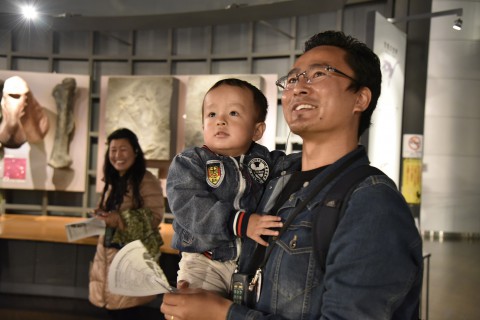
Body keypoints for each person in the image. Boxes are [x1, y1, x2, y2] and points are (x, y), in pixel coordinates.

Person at [160, 30, 423, 320]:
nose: (298, 87)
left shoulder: (371, 203)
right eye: (294, 78)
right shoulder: (276, 178)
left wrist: (224, 314)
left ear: (360, 98)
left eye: (320, 74)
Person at [166, 78, 284, 296]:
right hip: (205, 262)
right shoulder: (190, 162)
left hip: (250, 264)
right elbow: (190, 207)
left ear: (257, 130)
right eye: (212, 115)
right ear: (203, 125)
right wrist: (241, 222)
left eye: (233, 113)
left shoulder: (266, 161)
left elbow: (295, 167)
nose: (220, 121)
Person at [89, 128, 165, 320]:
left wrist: (119, 219)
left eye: (123, 149)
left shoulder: (146, 180)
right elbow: (112, 216)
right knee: (113, 311)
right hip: (107, 258)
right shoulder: (112, 181)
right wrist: (100, 217)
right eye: (113, 150)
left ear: (135, 152)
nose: (117, 155)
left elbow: (155, 216)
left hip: (129, 261)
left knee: (128, 313)